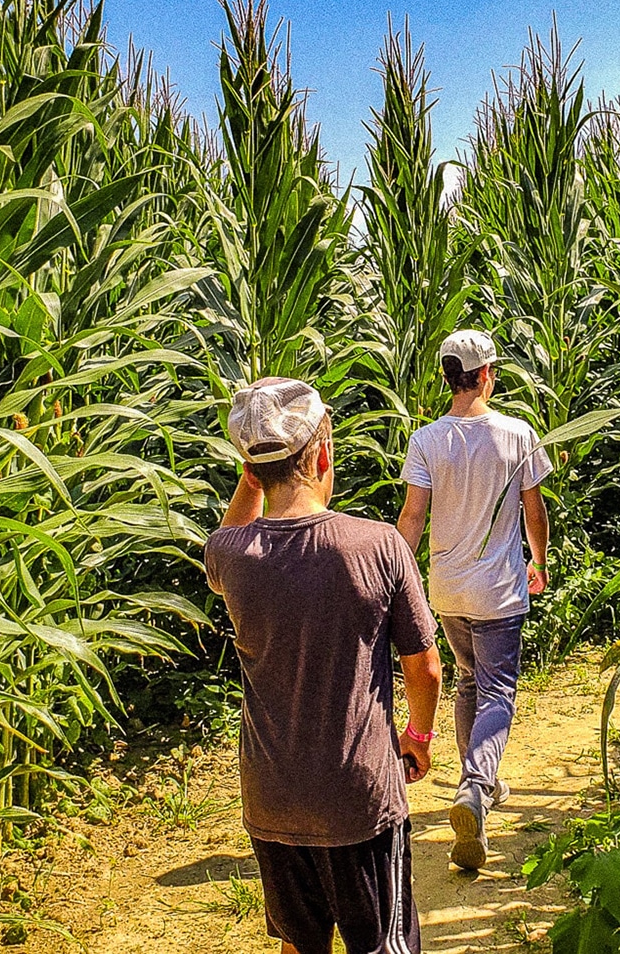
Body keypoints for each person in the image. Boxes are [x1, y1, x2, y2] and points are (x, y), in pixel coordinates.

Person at [205, 377, 442, 954]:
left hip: (271, 797)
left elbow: (231, 531)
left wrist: (253, 472)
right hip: (357, 797)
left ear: (253, 471)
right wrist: (418, 736)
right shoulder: (380, 545)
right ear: (322, 454)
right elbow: (426, 668)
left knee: (298, 943)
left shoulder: (231, 558)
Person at [395, 329, 552, 871]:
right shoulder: (517, 434)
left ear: (449, 377)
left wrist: (398, 573)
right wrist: (539, 559)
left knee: (468, 680)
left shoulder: (427, 440)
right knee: (498, 691)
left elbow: (412, 516)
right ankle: (477, 788)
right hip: (499, 591)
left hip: (447, 590)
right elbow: (534, 510)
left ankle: (475, 783)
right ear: (486, 374)